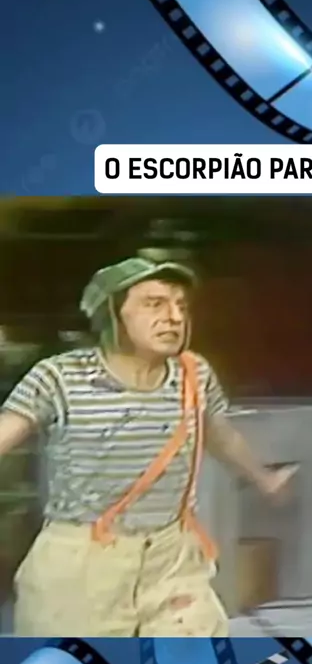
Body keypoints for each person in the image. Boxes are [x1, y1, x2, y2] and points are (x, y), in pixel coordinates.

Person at [0, 247, 296, 637]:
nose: (174, 317)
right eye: (154, 304)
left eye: (180, 306)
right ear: (111, 315)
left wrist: (264, 479)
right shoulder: (59, 377)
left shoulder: (194, 374)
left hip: (173, 558)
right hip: (82, 562)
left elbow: (218, 433)